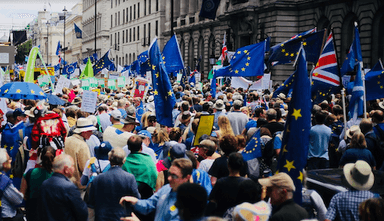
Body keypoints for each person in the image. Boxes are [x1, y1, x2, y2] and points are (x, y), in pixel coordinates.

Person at [120, 158, 193, 221]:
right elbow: (149, 205)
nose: (169, 178)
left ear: (186, 178)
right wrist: (135, 202)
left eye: (174, 176)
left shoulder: (187, 204)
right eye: (169, 174)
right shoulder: (166, 188)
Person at [88, 147, 140, 221]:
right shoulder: (130, 178)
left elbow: (91, 203)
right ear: (124, 161)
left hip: (101, 218)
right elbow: (136, 198)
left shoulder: (97, 179)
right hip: (122, 218)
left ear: (109, 159)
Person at [40, 154, 88, 221]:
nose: (74, 168)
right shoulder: (69, 187)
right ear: (66, 169)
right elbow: (82, 212)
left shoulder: (44, 184)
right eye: (72, 166)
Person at [208, 153, 251, 217]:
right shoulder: (249, 183)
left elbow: (213, 200)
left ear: (228, 165)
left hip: (222, 216)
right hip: (241, 216)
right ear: (242, 165)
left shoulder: (221, 182)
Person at [20, 146, 56, 221]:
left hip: (32, 211)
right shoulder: (57, 177)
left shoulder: (30, 173)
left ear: (41, 157)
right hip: (50, 212)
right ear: (54, 159)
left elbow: (22, 194)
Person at [64, 118, 94, 189]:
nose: (91, 133)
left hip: (65, 180)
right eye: (90, 131)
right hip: (78, 184)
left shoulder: (66, 140)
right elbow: (85, 168)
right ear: (84, 132)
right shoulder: (82, 145)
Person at [0, 148, 24, 220]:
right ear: (4, 164)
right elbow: (18, 199)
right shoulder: (3, 180)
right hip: (6, 216)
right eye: (8, 159)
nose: (10, 161)